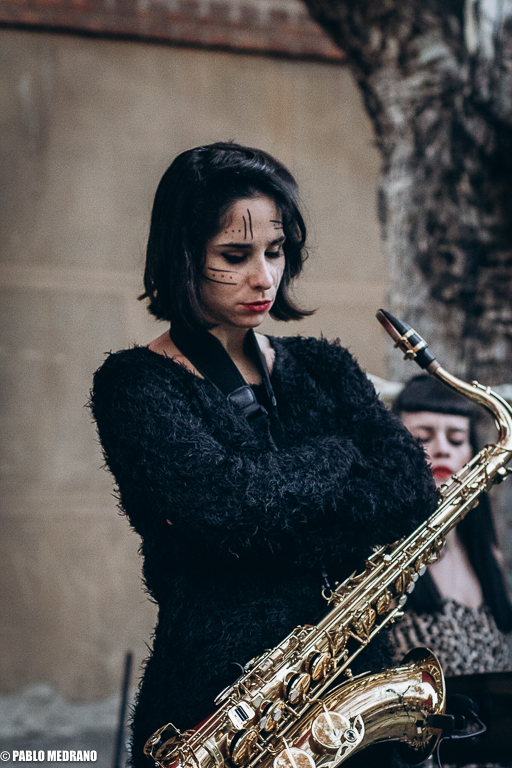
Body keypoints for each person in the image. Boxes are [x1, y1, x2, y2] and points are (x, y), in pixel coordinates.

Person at [90, 142, 438, 768]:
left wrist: (273, 518)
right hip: (216, 703)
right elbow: (229, 508)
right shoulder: (135, 386)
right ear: (183, 255)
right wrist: (339, 454)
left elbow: (410, 492)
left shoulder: (324, 364)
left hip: (351, 680)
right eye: (235, 255)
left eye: (275, 251)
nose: (264, 277)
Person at [388, 374, 512, 676]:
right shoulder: (381, 559)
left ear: (474, 454)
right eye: (422, 438)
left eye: (456, 439)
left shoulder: (488, 554)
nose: (443, 449)